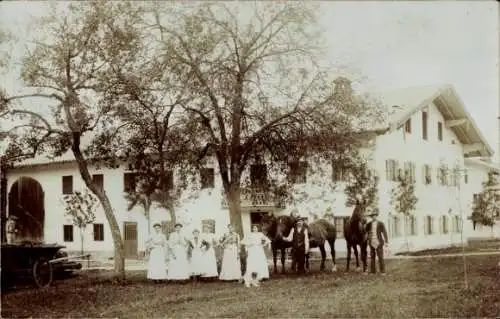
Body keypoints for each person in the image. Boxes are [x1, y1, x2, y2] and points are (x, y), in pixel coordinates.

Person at [364, 210, 389, 275]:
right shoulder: (369, 224)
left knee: (380, 257)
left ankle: (382, 271)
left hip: (379, 242)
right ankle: (373, 271)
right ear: (371, 217)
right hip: (371, 242)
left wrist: (386, 241)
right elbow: (366, 232)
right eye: (372, 216)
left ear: (376, 216)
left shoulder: (381, 223)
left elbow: (384, 232)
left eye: (375, 216)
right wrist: (367, 239)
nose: (373, 217)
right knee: (372, 257)